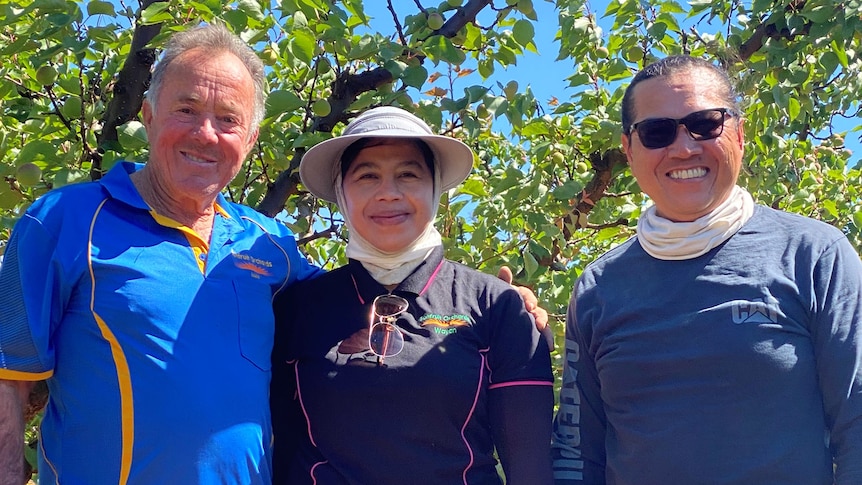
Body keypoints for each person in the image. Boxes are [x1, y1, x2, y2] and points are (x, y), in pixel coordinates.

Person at [0, 24, 548, 485]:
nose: (206, 134)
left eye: (228, 119)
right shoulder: (60, 222)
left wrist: (503, 305)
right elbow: (9, 385)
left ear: (252, 138)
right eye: (186, 109)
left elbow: (359, 293)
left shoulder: (268, 245)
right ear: (146, 113)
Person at [550, 54, 862, 484]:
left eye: (706, 124)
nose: (683, 148)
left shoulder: (815, 255)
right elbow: (576, 453)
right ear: (628, 149)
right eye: (657, 132)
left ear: (739, 133)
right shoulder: (598, 288)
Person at [270, 106, 555, 484]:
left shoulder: (498, 306)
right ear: (341, 192)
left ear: (435, 188)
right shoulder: (294, 309)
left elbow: (530, 469)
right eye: (367, 176)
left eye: (408, 174)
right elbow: (279, 454)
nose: (388, 193)